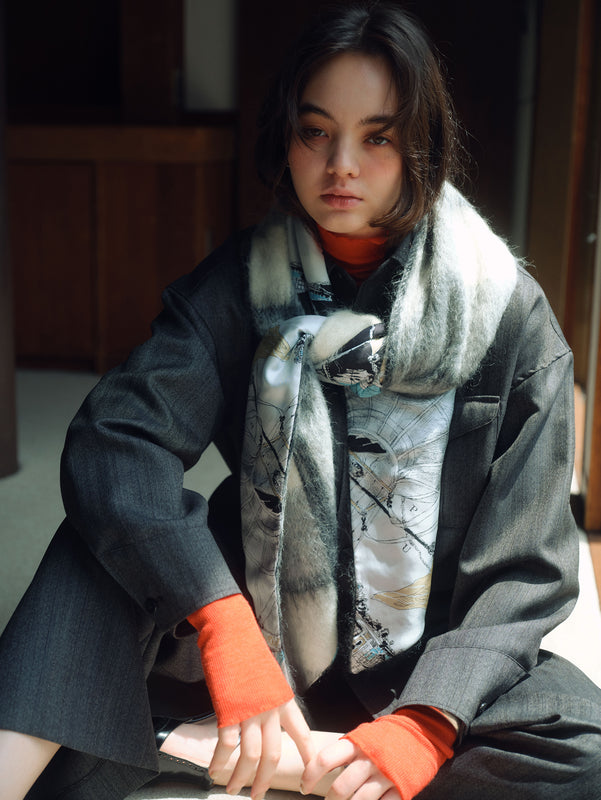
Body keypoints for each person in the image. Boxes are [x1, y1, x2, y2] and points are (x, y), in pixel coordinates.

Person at [1, 2, 600, 799]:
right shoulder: (238, 283)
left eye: (377, 137)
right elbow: (116, 440)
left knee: (584, 756)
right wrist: (220, 621)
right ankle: (296, 755)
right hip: (260, 624)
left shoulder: (506, 312)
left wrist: (429, 721)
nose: (339, 165)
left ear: (420, 147)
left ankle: (238, 753)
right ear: (285, 137)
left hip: (428, 653)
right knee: (98, 540)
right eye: (315, 131)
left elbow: (527, 569)